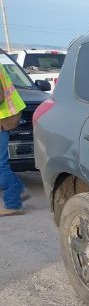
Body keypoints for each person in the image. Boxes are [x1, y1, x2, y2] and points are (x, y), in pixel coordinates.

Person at [0, 63, 27, 217]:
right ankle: (19, 190)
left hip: (2, 119)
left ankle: (13, 204)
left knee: (0, 165)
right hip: (6, 117)